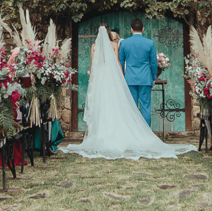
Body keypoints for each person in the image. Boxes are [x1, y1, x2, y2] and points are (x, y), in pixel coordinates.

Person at [61, 25, 195, 160]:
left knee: (107, 106)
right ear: (142, 28)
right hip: (125, 78)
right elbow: (120, 62)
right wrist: (125, 77)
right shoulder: (120, 44)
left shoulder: (98, 46)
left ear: (131, 29)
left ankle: (102, 135)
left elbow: (92, 65)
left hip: (107, 79)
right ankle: (144, 136)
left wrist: (93, 78)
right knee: (134, 107)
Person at [118, 19, 158, 126]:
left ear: (131, 29)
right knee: (146, 107)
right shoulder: (150, 43)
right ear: (143, 29)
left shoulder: (124, 43)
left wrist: (121, 77)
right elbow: (154, 62)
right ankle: (146, 134)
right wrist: (154, 77)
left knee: (131, 108)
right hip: (145, 78)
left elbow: (120, 62)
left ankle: (133, 134)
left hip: (129, 79)